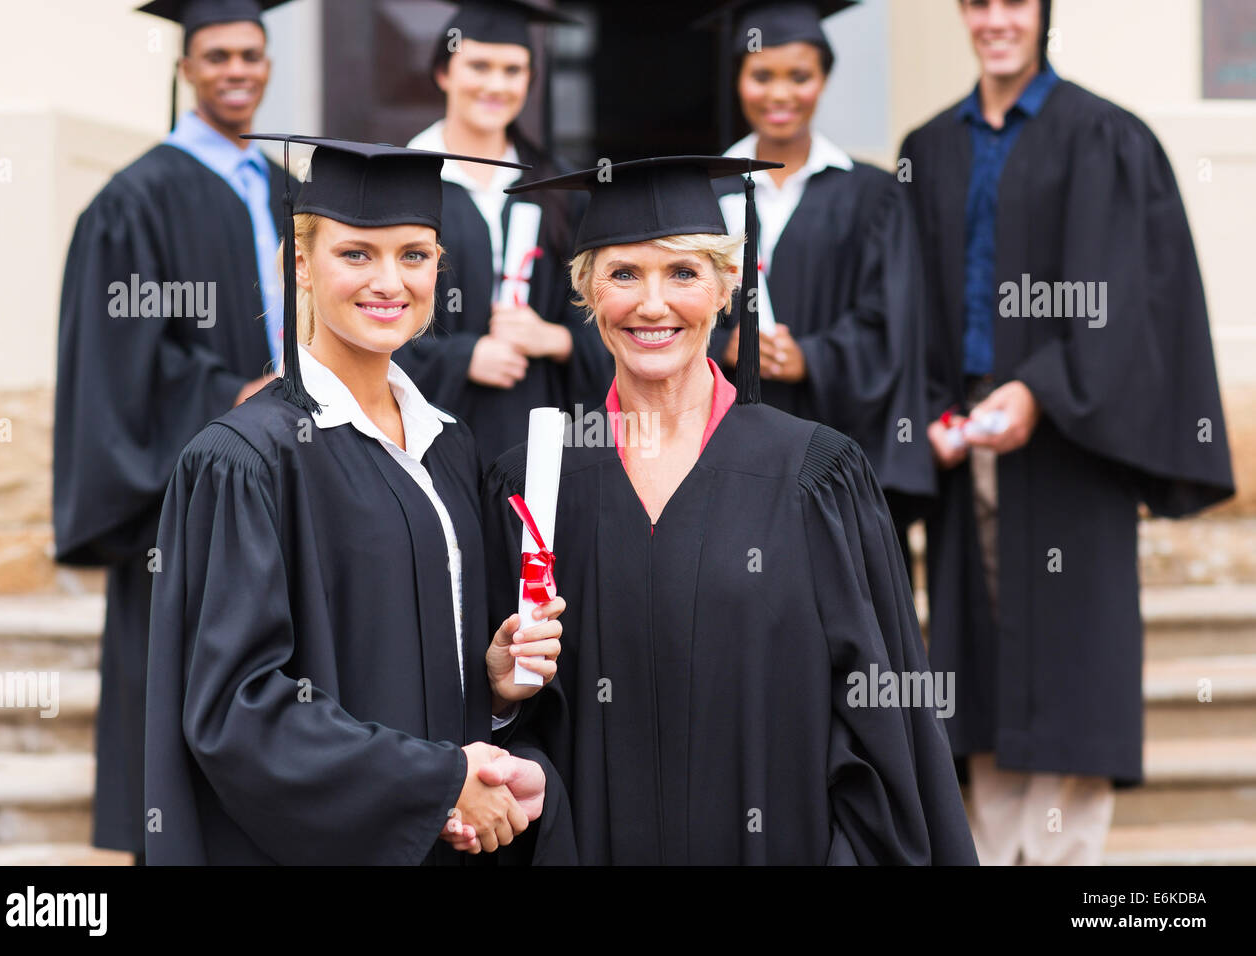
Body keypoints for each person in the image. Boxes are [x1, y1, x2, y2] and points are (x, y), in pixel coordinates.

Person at [484, 156, 978, 864]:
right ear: (587, 291)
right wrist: (501, 701)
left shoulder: (817, 476)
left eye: (683, 273)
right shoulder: (534, 483)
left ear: (726, 289)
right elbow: (510, 724)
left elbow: (879, 719)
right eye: (623, 274)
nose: (652, 304)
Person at [145, 135, 576, 865]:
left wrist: (495, 689)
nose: (389, 280)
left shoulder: (448, 447)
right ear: (301, 266)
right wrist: (436, 782)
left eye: (413, 254)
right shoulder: (245, 460)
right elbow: (237, 712)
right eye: (356, 254)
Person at [899, 0, 1233, 864]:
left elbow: (1127, 300)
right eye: (978, 3)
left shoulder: (1105, 137)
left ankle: (1066, 860)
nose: (996, 19)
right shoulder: (928, 147)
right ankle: (990, 848)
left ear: (1043, 12)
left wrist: (1041, 391)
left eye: (1014, 1)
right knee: (975, 652)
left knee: (1073, 651)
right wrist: (929, 409)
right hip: (965, 434)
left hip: (1071, 444)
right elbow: (907, 306)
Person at [53, 0, 298, 859]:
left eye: (252, 54)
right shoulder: (136, 199)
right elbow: (117, 361)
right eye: (219, 54)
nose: (238, 69)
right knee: (182, 674)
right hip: (189, 490)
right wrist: (233, 393)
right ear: (187, 67)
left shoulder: (284, 187)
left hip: (294, 473)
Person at [706, 0, 934, 548]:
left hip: (837, 442)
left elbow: (892, 320)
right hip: (723, 447)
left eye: (799, 76)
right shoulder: (702, 193)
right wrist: (722, 346)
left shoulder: (872, 195)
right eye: (762, 75)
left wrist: (813, 357)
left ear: (824, 80)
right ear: (739, 79)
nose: (780, 94)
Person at [399, 0, 611, 465]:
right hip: (424, 440)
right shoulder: (399, 184)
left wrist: (557, 341)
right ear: (443, 72)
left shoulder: (558, 190)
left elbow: (607, 313)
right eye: (479, 66)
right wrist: (461, 358)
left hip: (537, 441)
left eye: (513, 70)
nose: (496, 85)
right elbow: (367, 321)